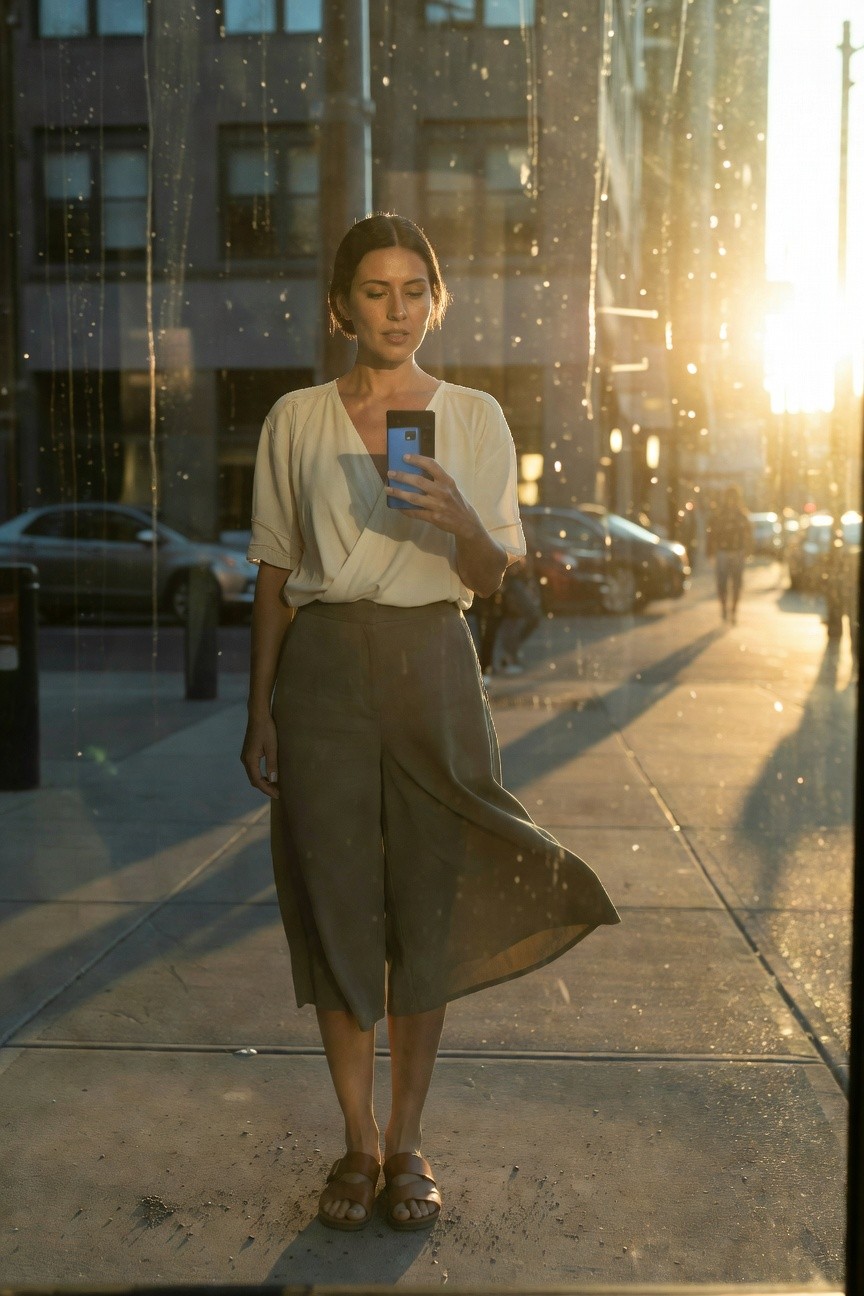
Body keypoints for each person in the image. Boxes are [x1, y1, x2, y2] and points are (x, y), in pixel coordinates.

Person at [240, 213, 619, 1235]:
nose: (397, 309)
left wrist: (461, 522)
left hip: (432, 666)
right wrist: (258, 710)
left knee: (425, 909)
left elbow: (497, 579)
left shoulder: (476, 418)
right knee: (336, 902)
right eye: (375, 291)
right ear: (341, 307)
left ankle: (408, 1142)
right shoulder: (298, 420)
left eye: (415, 290)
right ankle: (357, 1143)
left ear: (436, 303)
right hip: (320, 675)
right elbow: (274, 572)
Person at [708, 484, 751, 624]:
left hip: (737, 552)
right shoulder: (719, 515)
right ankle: (724, 608)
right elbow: (712, 533)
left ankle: (733, 610)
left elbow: (748, 534)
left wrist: (748, 549)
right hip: (723, 552)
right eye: (729, 498)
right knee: (722, 583)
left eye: (734, 498)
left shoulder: (742, 515)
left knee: (737, 584)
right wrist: (710, 551)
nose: (731, 501)